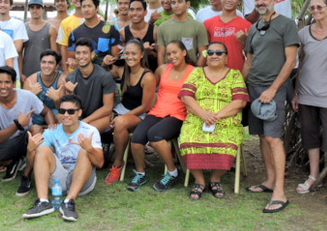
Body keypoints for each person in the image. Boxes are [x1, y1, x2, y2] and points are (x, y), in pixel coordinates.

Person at [242, 0, 298, 213]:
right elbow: (248, 61)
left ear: (273, 0)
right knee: (262, 136)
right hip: (254, 88)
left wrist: (273, 89)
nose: (260, 2)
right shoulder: (254, 28)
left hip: (273, 89)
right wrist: (237, 88)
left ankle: (280, 193)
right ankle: (269, 181)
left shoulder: (286, 24)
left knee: (274, 138)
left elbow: (290, 61)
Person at [290, 0, 327, 207]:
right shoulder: (304, 33)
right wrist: (296, 93)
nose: (315, 11)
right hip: (305, 92)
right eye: (312, 8)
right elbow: (300, 63)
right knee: (309, 134)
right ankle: (313, 176)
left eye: (319, 7)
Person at [179, 42, 248, 200]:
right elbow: (186, 96)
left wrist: (218, 115)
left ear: (226, 56)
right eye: (210, 53)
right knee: (188, 138)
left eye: (219, 53)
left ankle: (215, 178)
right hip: (197, 118)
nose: (214, 56)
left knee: (227, 141)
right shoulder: (197, 73)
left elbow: (240, 102)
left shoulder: (235, 75)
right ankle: (199, 180)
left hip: (226, 120)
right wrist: (203, 114)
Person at [22, 94, 104, 222]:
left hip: (82, 181)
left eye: (70, 111)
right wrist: (30, 149)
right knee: (41, 149)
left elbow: (100, 163)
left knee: (84, 151)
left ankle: (69, 202)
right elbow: (34, 163)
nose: (65, 115)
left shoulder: (90, 131)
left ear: (79, 112)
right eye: (62, 111)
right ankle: (43, 201)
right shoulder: (52, 131)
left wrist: (90, 149)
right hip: (59, 179)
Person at [0, 66, 56, 195]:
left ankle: (26, 176)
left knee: (36, 129)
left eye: (7, 82)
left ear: (13, 83)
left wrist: (52, 127)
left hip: (26, 139)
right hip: (5, 142)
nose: (3, 86)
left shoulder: (26, 96)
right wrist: (17, 124)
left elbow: (46, 111)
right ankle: (12, 160)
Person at [127, 41, 194, 192]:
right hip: (157, 111)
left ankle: (172, 172)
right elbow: (146, 85)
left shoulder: (194, 72)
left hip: (178, 115)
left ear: (184, 52)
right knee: (136, 140)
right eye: (168, 54)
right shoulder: (162, 69)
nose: (171, 56)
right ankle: (140, 173)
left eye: (175, 52)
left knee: (155, 137)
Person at [104, 39, 156, 184]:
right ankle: (98, 157)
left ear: (141, 55)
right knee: (98, 123)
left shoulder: (148, 76)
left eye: (134, 53)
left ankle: (118, 163)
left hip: (140, 114)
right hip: (121, 109)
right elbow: (105, 74)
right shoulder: (122, 69)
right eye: (127, 53)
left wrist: (122, 116)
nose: (130, 57)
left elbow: (145, 106)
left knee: (119, 123)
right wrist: (105, 62)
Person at [65, 38, 116, 133]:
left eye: (85, 53)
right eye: (78, 53)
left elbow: (107, 108)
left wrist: (85, 121)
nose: (81, 56)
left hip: (102, 116)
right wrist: (69, 93)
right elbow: (69, 108)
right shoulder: (70, 78)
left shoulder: (104, 75)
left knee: (86, 131)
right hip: (80, 116)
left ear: (92, 55)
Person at [203, 0, 251, 71]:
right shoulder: (208, 23)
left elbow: (251, 56)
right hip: (213, 73)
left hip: (236, 74)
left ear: (239, 2)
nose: (229, 0)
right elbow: (203, 51)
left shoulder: (246, 26)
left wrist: (244, 42)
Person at [157, 0, 208, 67]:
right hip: (169, 72)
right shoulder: (162, 27)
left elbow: (204, 53)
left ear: (187, 4)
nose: (176, 5)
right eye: (173, 3)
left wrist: (195, 72)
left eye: (180, 2)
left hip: (191, 72)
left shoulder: (198, 26)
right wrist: (163, 72)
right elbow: (161, 53)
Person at [67, 0, 122, 66]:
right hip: (84, 75)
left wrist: (108, 61)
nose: (86, 10)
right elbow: (71, 57)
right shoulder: (75, 33)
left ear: (97, 8)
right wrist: (72, 61)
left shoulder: (111, 28)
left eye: (89, 6)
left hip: (106, 74)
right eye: (83, 7)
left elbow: (116, 56)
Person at [24, 50, 66, 125]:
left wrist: (57, 100)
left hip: (55, 112)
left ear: (57, 66)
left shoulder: (62, 80)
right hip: (37, 113)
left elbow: (64, 110)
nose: (46, 66)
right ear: (40, 64)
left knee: (62, 118)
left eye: (50, 63)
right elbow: (23, 108)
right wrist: (30, 95)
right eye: (43, 62)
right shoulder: (31, 81)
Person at [0, 0, 29, 83]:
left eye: (6, 2)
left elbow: (18, 48)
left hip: (12, 72)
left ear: (11, 5)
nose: (3, 4)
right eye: (0, 2)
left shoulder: (18, 24)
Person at [120, 0, 158, 72]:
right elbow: (120, 58)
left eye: (138, 9)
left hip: (152, 74)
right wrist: (125, 54)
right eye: (132, 10)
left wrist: (149, 52)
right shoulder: (122, 33)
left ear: (145, 12)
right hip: (131, 75)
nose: (134, 13)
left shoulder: (155, 31)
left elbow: (161, 57)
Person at [22, 0, 57, 78]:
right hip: (27, 71)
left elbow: (54, 54)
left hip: (46, 71)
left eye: (38, 7)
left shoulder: (51, 28)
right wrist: (20, 72)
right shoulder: (23, 28)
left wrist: (53, 72)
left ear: (42, 10)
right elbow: (20, 53)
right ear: (29, 10)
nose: (35, 10)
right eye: (32, 7)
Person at [57, 0, 85, 75]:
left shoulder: (97, 19)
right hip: (73, 70)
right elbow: (63, 47)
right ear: (71, 1)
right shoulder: (65, 22)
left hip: (94, 69)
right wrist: (65, 71)